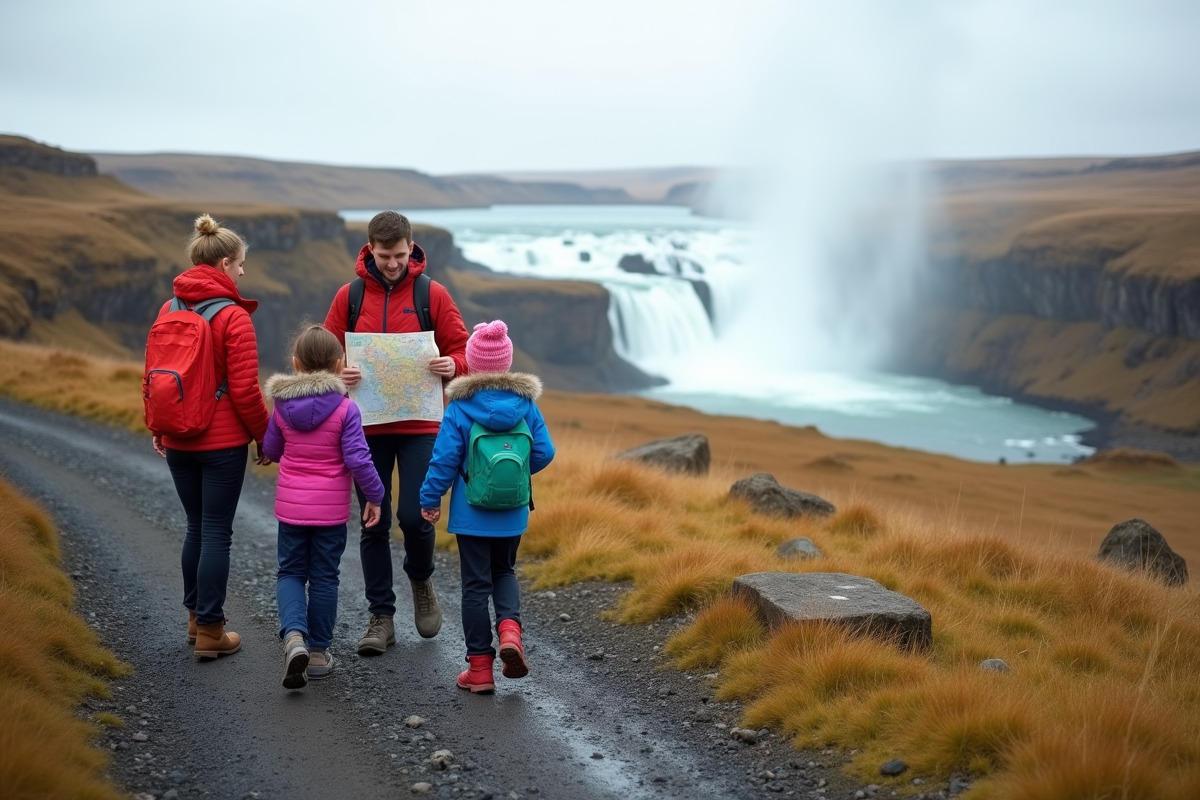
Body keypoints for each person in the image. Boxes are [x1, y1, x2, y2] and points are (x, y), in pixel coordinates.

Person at [323, 211, 470, 655]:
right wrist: (337, 371)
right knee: (374, 519)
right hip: (364, 426)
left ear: (412, 247)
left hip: (421, 425)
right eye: (385, 256)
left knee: (414, 515)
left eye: (400, 255)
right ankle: (381, 617)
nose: (393, 264)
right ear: (370, 248)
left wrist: (453, 366)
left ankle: (421, 579)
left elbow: (463, 350)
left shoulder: (432, 294)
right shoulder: (348, 297)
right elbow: (324, 351)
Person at [150, 214, 271, 660]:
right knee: (218, 532)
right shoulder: (233, 317)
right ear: (223, 263)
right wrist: (265, 438)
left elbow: (158, 376)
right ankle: (211, 631)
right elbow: (244, 390)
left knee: (196, 528)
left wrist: (159, 427)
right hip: (220, 444)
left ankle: (193, 621)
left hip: (179, 437)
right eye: (240, 264)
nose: (242, 272)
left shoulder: (169, 309)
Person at [419, 320, 555, 693]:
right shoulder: (525, 403)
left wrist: (430, 500)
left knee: (475, 586)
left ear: (472, 363)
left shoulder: (460, 406)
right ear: (507, 362)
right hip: (512, 512)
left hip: (471, 515)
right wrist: (518, 477)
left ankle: (479, 670)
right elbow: (545, 452)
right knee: (505, 573)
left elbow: (444, 460)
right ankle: (510, 632)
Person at [263, 325, 385, 689]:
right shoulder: (346, 409)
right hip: (330, 513)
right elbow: (359, 460)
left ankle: (294, 638)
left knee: (289, 573)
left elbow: (271, 450)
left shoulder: (283, 406)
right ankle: (316, 653)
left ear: (296, 363)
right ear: (338, 364)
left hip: (292, 511)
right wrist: (375, 496)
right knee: (324, 577)